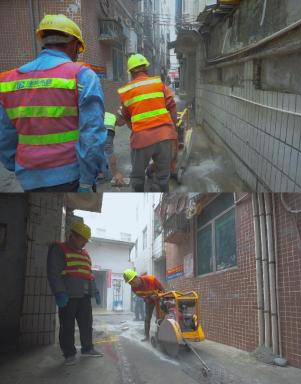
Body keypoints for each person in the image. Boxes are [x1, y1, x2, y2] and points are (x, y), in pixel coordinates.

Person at [0, 14, 108, 192]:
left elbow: (5, 136)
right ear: (73, 44)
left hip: (28, 178)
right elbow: (92, 134)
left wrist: (18, 165)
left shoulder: (8, 82)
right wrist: (88, 180)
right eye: (78, 50)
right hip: (71, 177)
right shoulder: (82, 75)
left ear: (44, 41)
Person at [117, 54, 177, 192]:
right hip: (164, 136)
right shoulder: (158, 83)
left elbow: (126, 117)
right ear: (146, 69)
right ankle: (160, 188)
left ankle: (139, 191)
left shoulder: (126, 90)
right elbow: (172, 105)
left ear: (131, 72)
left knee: (138, 177)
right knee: (163, 176)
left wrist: (136, 130)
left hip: (141, 140)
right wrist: (172, 128)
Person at [46, 222, 103, 366]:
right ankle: (69, 354)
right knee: (67, 325)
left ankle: (87, 348)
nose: (84, 243)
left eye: (86, 240)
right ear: (74, 235)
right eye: (82, 239)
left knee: (86, 324)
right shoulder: (59, 248)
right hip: (68, 296)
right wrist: (59, 292)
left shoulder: (85, 254)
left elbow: (89, 275)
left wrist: (95, 291)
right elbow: (53, 272)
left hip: (84, 296)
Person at [123, 269, 165, 341]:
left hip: (159, 299)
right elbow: (141, 296)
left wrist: (159, 296)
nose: (132, 284)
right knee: (147, 319)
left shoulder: (151, 279)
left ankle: (161, 336)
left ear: (136, 277)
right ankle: (146, 336)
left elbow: (162, 290)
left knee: (160, 318)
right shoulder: (134, 288)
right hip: (149, 301)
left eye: (133, 282)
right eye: (130, 283)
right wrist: (148, 297)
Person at [103, 111, 126, 186]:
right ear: (121, 119)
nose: (124, 125)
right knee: (108, 149)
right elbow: (108, 149)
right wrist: (116, 173)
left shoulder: (108, 115)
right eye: (125, 122)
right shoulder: (109, 126)